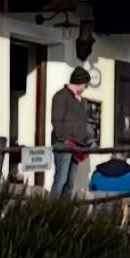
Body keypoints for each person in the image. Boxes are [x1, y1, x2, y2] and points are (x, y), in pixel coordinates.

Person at [50, 66, 92, 199]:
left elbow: (82, 122)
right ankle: (51, 208)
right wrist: (65, 139)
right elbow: (56, 120)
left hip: (77, 145)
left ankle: (64, 209)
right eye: (85, 84)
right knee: (60, 180)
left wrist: (85, 139)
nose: (85, 87)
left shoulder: (81, 101)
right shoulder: (61, 96)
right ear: (80, 82)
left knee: (70, 183)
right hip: (64, 144)